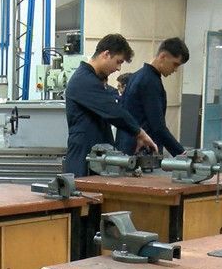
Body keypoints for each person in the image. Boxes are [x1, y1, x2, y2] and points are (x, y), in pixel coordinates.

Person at [64, 34, 157, 177]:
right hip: (83, 161)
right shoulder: (83, 80)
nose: (119, 68)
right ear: (106, 54)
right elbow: (114, 112)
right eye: (118, 62)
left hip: (97, 158)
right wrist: (140, 133)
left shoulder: (94, 79)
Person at [116, 37, 189, 156]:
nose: (175, 69)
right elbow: (158, 127)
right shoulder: (150, 82)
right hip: (142, 153)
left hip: (128, 149)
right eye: (175, 64)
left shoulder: (137, 76)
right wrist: (182, 153)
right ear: (163, 56)